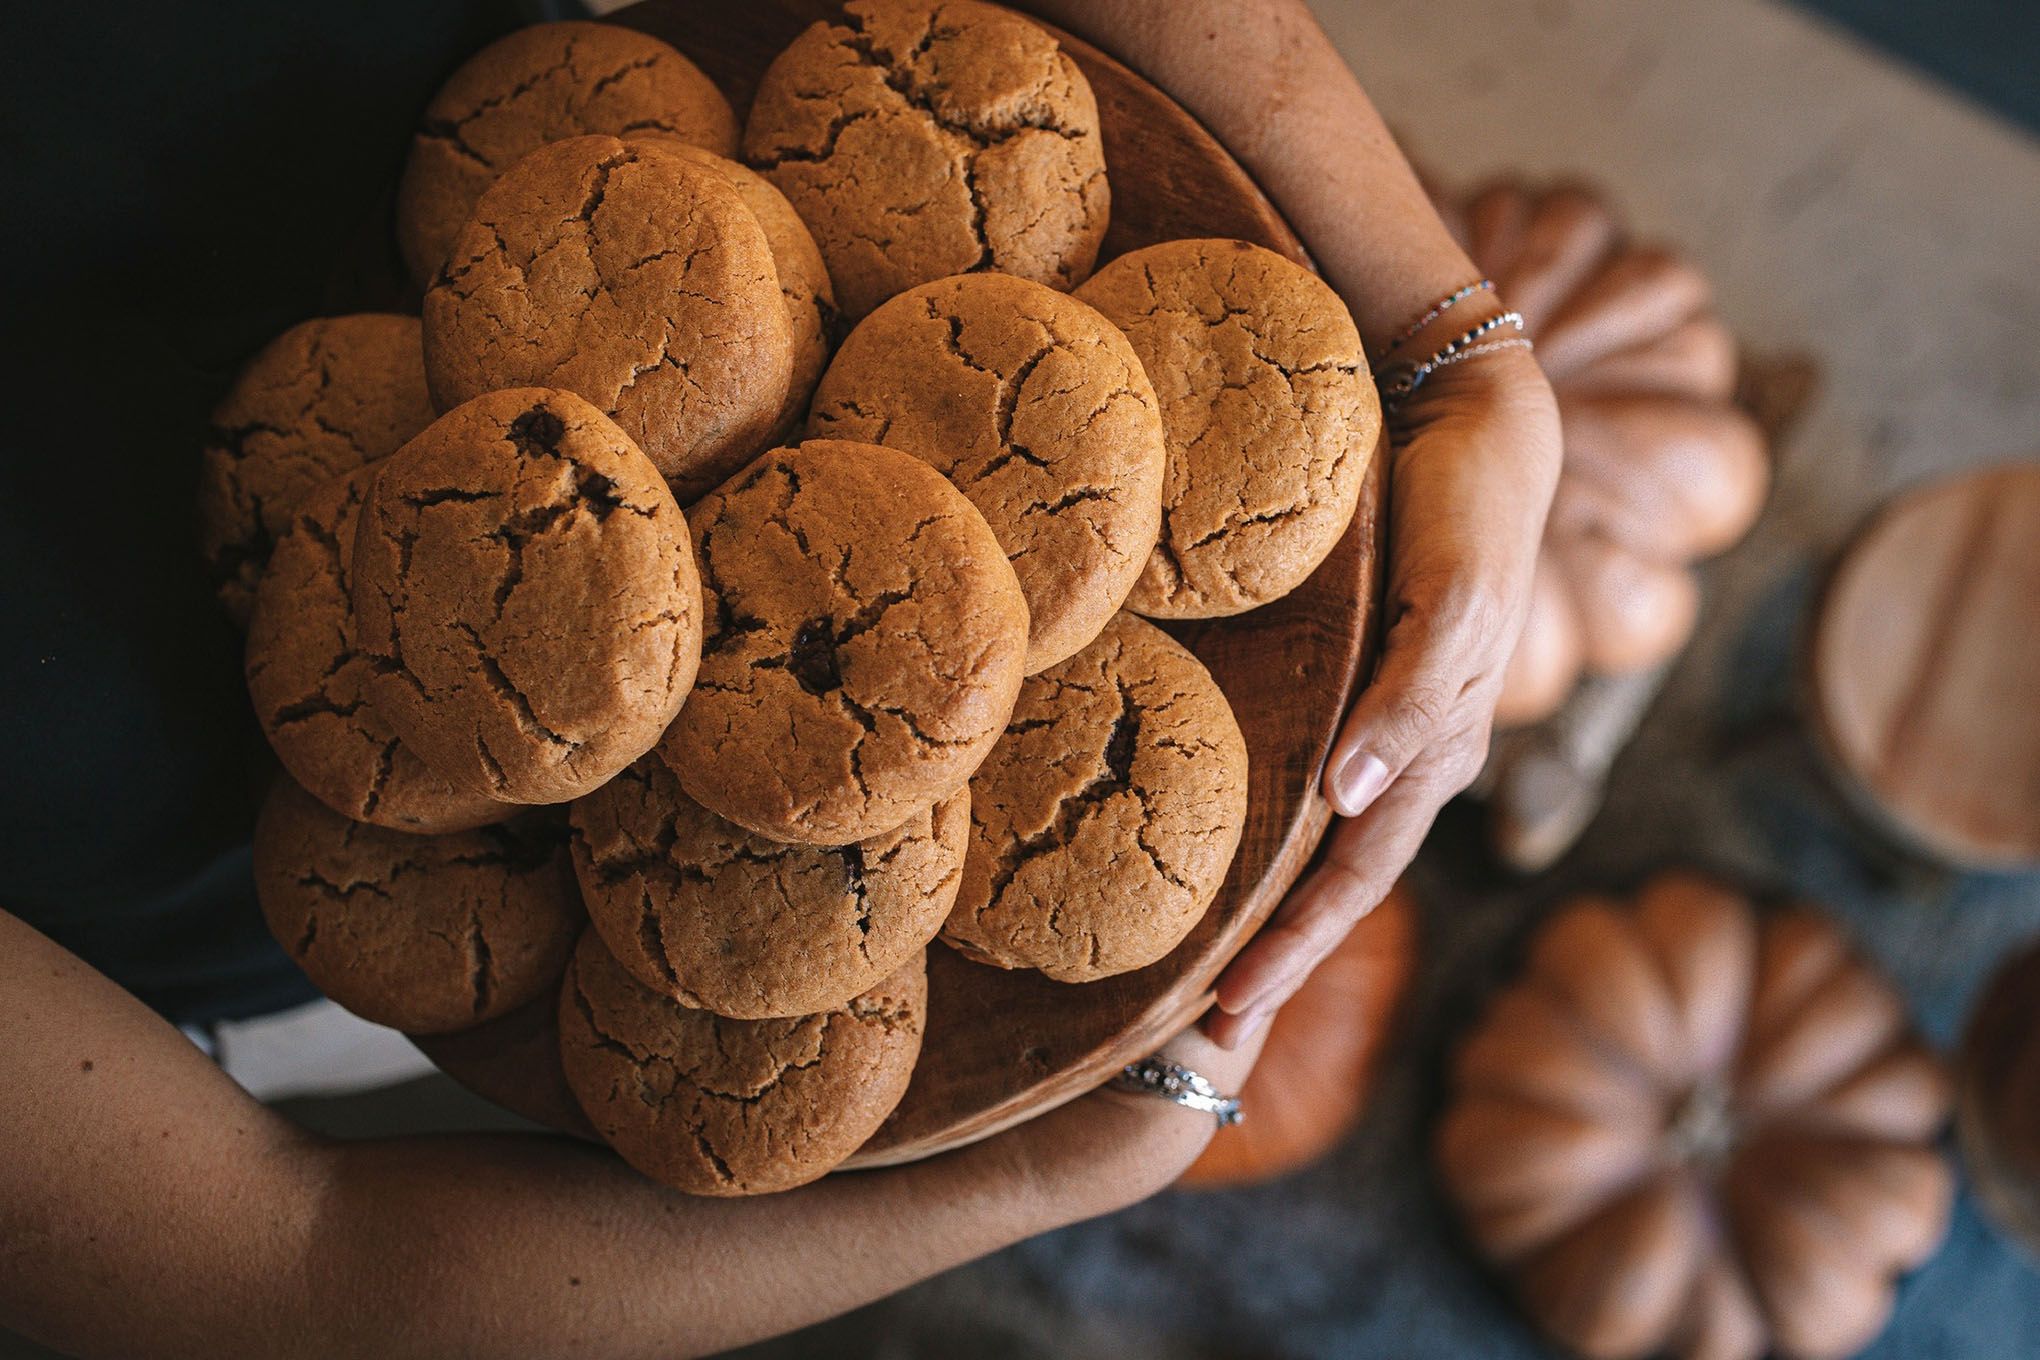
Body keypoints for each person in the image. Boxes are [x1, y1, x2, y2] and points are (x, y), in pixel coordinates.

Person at [0, 0, 1560, 1354]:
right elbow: (288, 1270)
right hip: (315, 858)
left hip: (583, 170)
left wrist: (1463, 348)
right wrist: (1041, 1175)